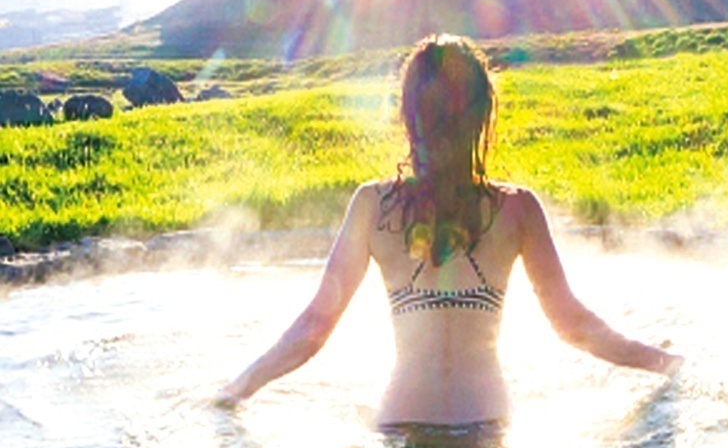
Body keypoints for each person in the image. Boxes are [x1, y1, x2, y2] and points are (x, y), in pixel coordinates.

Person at [217, 33, 682, 425]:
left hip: (402, 427)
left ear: (407, 115)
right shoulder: (518, 210)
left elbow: (313, 331)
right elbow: (575, 327)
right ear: (481, 116)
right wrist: (663, 363)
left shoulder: (371, 206)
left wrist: (237, 388)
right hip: (485, 424)